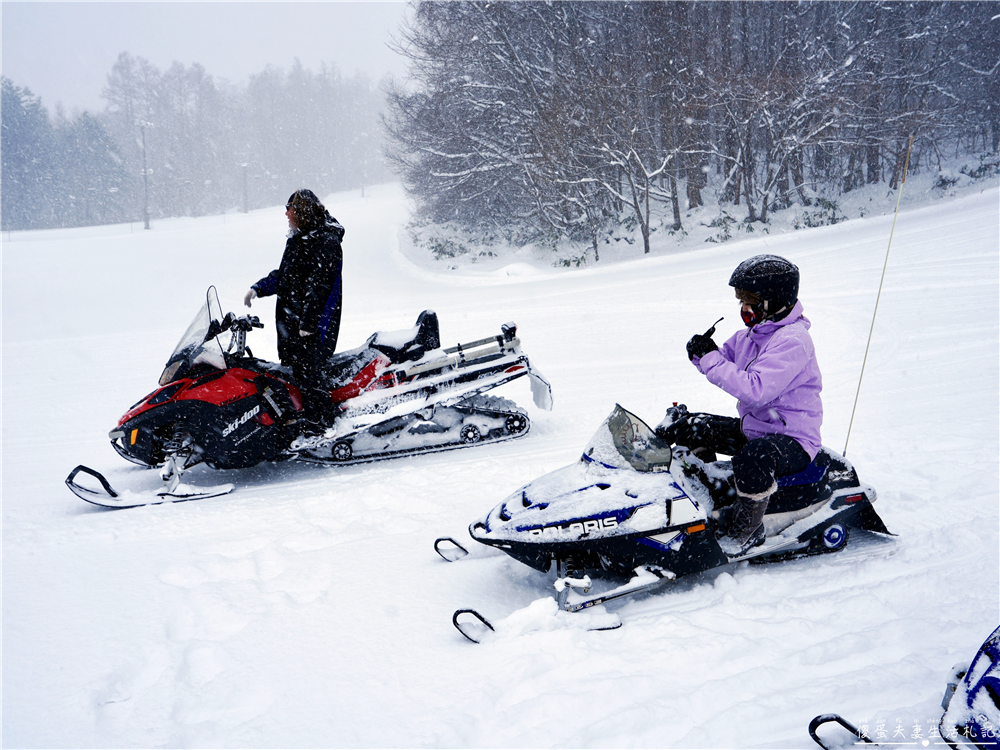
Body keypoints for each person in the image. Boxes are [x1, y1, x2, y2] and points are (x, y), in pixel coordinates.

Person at [656, 254, 823, 557]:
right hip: (758, 428)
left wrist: (710, 360)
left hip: (793, 440)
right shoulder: (752, 335)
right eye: (741, 301)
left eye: (751, 301)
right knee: (693, 428)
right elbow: (721, 360)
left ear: (775, 300)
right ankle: (710, 496)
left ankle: (746, 529)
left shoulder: (792, 341)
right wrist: (700, 351)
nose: (745, 309)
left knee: (753, 458)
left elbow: (754, 389)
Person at [244, 189, 345, 430]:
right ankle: (306, 420)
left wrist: (308, 325)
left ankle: (322, 426)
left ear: (302, 211)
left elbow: (320, 287)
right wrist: (259, 288)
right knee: (296, 374)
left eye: (289, 208)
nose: (286, 214)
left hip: (314, 327)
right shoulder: (300, 238)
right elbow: (288, 276)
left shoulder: (325, 241)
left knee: (309, 375)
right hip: (294, 324)